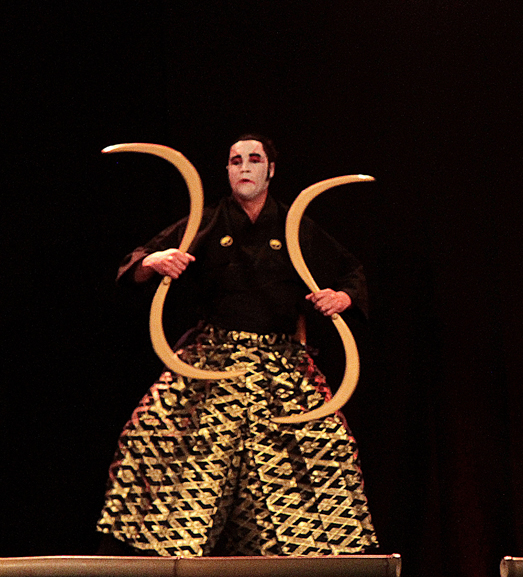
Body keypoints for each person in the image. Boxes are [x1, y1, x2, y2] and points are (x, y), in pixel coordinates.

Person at [96, 134, 378, 556]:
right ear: (227, 170)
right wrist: (155, 262)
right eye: (235, 160)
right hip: (213, 362)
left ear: (271, 169)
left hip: (281, 364)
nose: (244, 167)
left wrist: (342, 297)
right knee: (160, 442)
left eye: (254, 159)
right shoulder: (206, 220)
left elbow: (350, 272)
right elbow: (139, 260)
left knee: (323, 454)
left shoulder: (294, 224)